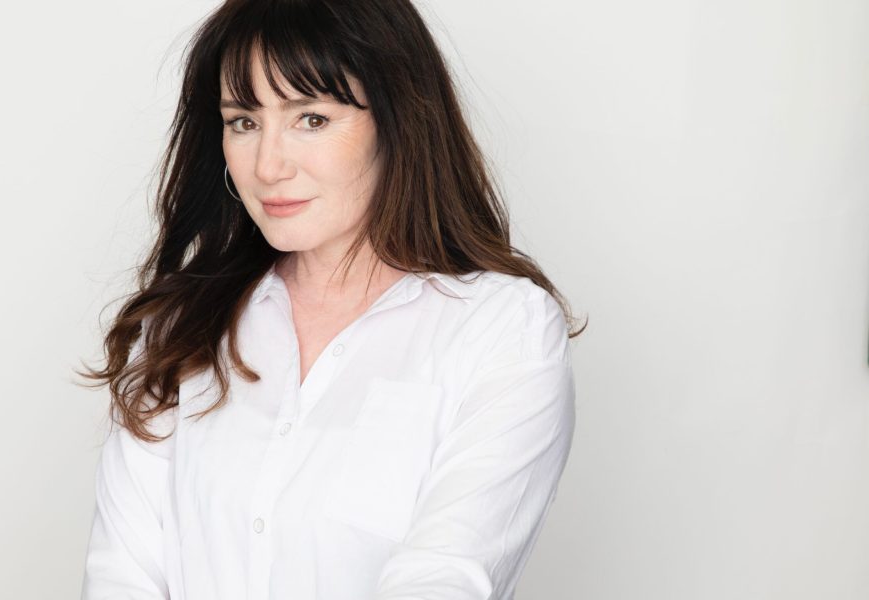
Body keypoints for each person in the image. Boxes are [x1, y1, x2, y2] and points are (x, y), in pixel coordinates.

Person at [77, 0, 587, 598]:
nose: (268, 166)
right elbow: (121, 579)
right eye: (243, 122)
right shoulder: (179, 330)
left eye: (312, 118)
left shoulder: (502, 330)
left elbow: (444, 578)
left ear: (397, 121)